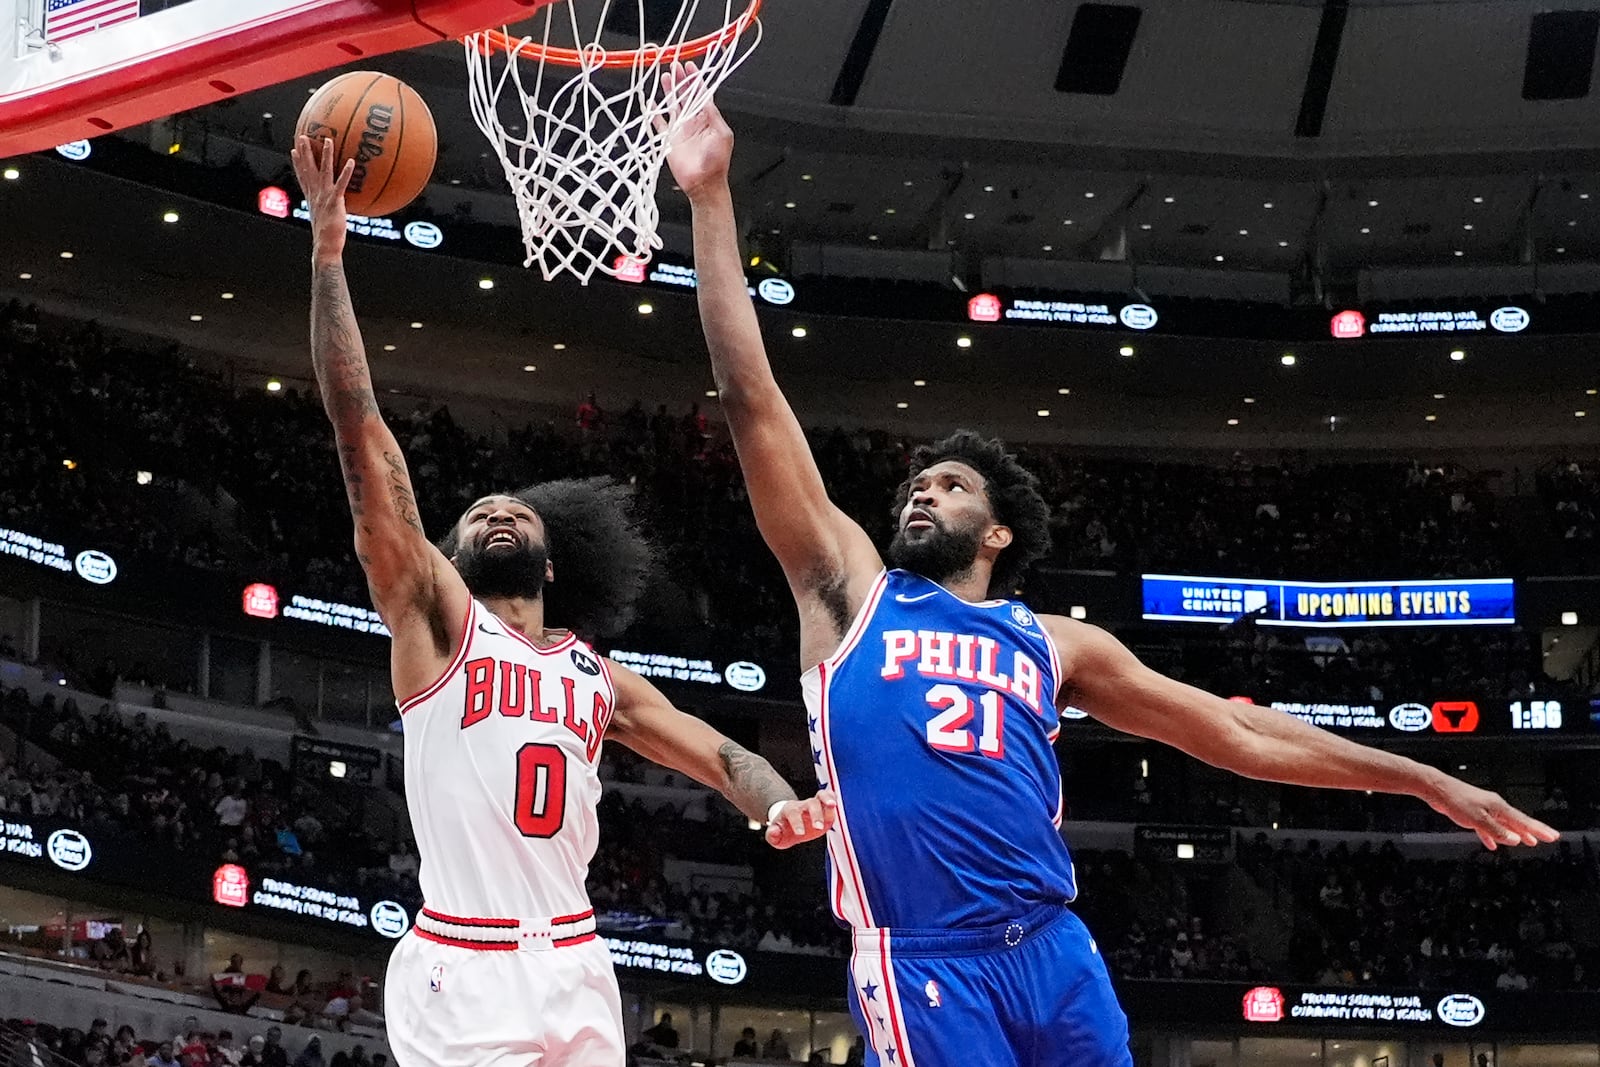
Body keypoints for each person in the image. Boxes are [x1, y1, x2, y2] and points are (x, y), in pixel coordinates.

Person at [663, 77, 1561, 1067]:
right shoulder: (851, 591)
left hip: (1055, 951)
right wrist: (711, 200)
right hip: (924, 959)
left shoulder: (1056, 642)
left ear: (999, 532)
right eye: (915, 484)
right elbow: (751, 402)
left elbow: (1236, 730)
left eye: (950, 485)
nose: (920, 493)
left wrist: (1424, 776)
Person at [290, 135, 835, 1067]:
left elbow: (720, 750)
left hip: (579, 961)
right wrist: (330, 256)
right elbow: (361, 431)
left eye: (516, 512)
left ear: (553, 563)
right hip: (462, 963)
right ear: (449, 557)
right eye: (477, 515)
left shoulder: (596, 678)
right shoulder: (435, 620)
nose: (500, 511)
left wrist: (778, 802)